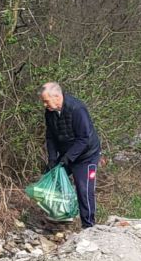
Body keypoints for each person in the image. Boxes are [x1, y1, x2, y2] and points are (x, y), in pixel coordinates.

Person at [40, 82, 101, 228]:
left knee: (83, 189)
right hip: (67, 153)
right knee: (51, 179)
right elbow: (51, 137)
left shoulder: (77, 109)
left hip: (87, 156)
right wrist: (53, 159)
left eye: (46, 101)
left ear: (56, 96)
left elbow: (84, 138)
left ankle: (88, 226)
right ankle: (61, 216)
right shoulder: (50, 112)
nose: (44, 104)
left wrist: (67, 159)